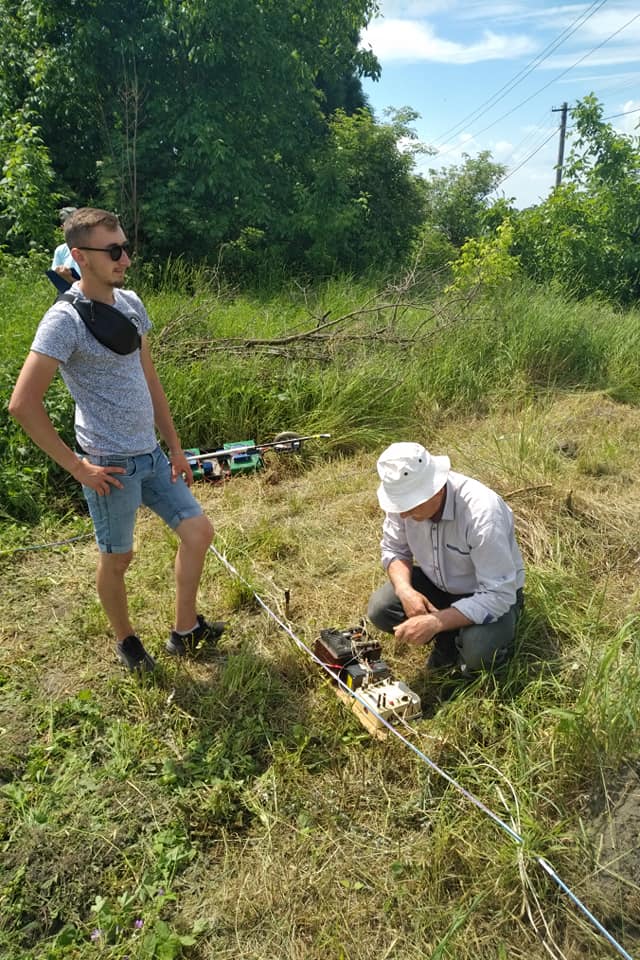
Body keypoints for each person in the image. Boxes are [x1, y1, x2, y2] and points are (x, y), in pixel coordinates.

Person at [10, 207, 223, 673]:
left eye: (125, 247)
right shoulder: (62, 321)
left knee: (198, 531)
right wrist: (77, 466)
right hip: (109, 466)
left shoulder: (130, 304)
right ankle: (126, 641)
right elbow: (22, 404)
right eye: (113, 250)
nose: (125, 258)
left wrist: (174, 445)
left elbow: (149, 378)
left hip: (149, 455)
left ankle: (184, 632)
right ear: (82, 256)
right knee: (119, 557)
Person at [367, 442, 525, 676]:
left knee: (478, 650)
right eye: (398, 505)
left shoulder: (482, 514)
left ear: (437, 489)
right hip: (438, 585)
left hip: (487, 594)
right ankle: (449, 635)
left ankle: (475, 653)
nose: (402, 514)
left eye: (409, 505)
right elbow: (394, 549)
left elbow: (498, 594)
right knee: (381, 609)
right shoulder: (404, 504)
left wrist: (436, 622)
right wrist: (404, 590)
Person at [50, 207, 81, 286]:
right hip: (67, 293)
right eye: (69, 225)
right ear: (62, 227)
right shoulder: (60, 250)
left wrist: (70, 279)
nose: (73, 228)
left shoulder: (92, 246)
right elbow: (56, 280)